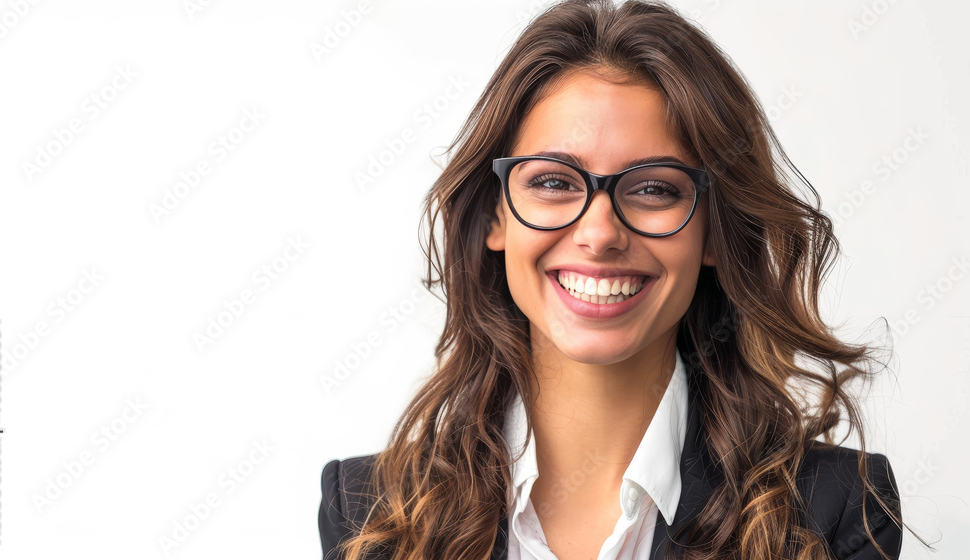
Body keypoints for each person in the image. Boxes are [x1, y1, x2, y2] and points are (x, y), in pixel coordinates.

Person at [318, 1, 911, 558]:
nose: (599, 234)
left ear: (713, 230)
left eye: (654, 187)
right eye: (553, 182)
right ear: (496, 215)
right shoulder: (372, 512)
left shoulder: (833, 513)